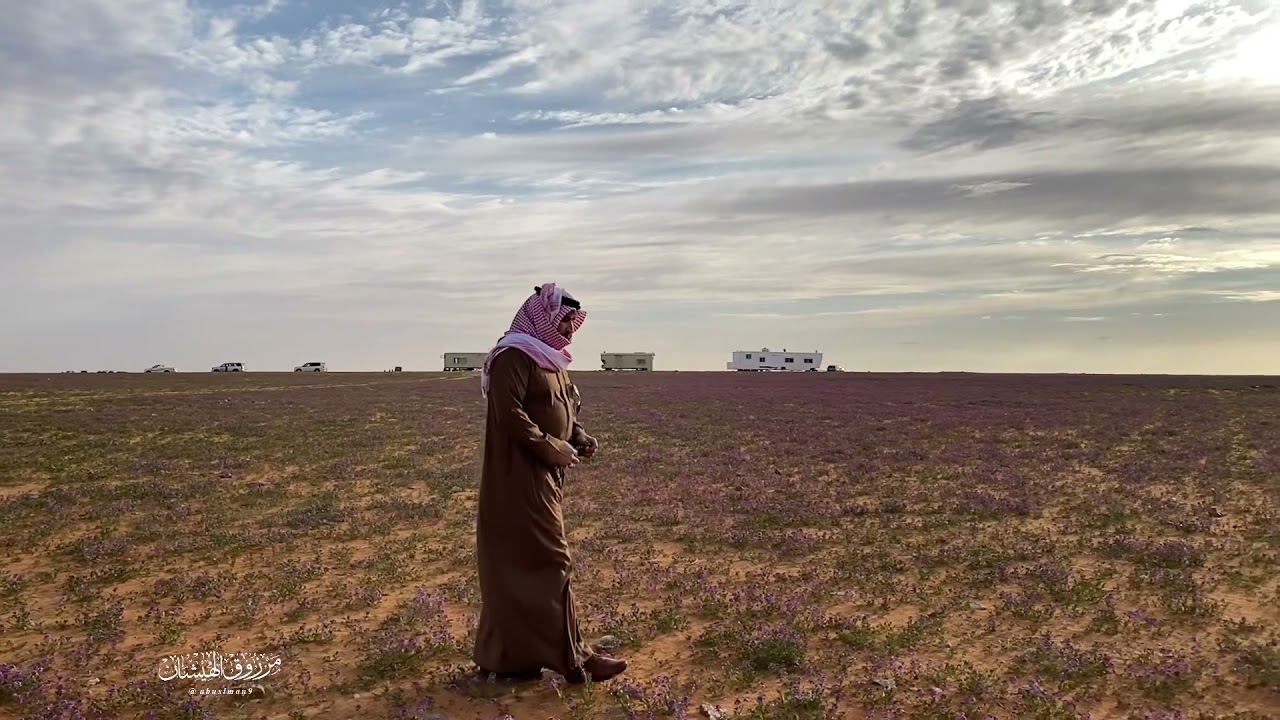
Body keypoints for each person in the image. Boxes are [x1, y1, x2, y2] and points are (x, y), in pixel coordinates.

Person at [472, 283, 628, 685]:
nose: (568, 328)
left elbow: (562, 408)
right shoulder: (513, 357)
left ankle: (510, 659)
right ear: (541, 316)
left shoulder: (552, 359)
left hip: (544, 477)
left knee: (522, 565)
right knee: (552, 560)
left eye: (571, 321)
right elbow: (510, 415)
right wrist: (550, 447)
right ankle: (576, 659)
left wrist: (577, 435)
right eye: (561, 319)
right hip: (517, 479)